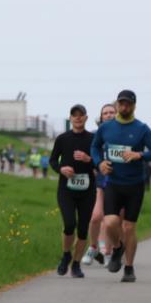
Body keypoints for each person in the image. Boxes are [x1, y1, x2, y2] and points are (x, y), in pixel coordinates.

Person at [90, 89, 151, 282]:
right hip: (113, 183)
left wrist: (139, 155)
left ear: (134, 106)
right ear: (117, 105)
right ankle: (117, 247)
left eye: (128, 104)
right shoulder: (106, 128)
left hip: (134, 185)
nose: (124, 107)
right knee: (110, 222)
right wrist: (99, 163)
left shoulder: (141, 128)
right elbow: (94, 147)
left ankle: (129, 268)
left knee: (130, 227)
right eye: (121, 103)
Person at [49, 104, 96, 278]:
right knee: (69, 224)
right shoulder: (62, 139)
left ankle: (76, 265)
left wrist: (88, 159)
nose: (77, 118)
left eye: (81, 115)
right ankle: (66, 254)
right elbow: (53, 160)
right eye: (74, 115)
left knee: (83, 229)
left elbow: (100, 163)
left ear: (86, 118)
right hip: (66, 189)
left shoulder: (92, 139)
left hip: (87, 191)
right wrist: (61, 169)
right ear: (70, 118)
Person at [83, 103, 117, 266]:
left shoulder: (122, 134)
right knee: (96, 216)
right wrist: (93, 165)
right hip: (100, 182)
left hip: (120, 182)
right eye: (106, 113)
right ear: (101, 117)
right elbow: (90, 154)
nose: (109, 115)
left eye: (112, 112)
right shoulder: (96, 135)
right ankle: (93, 247)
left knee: (113, 220)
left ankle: (110, 252)